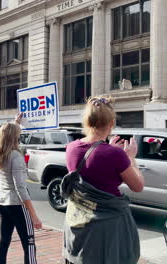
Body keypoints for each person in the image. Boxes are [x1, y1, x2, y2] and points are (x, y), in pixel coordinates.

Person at [63, 97, 145, 264]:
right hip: (107, 229)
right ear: (111, 123)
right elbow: (138, 186)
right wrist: (130, 158)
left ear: (87, 121)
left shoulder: (71, 147)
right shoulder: (115, 155)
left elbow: (92, 166)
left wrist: (109, 149)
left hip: (78, 223)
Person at [0, 113, 42, 264]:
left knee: (4, 240)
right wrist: (33, 215)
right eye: (17, 135)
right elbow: (20, 188)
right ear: (14, 137)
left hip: (2, 202)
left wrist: (16, 122)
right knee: (29, 244)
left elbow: (9, 131)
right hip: (17, 204)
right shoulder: (15, 156)